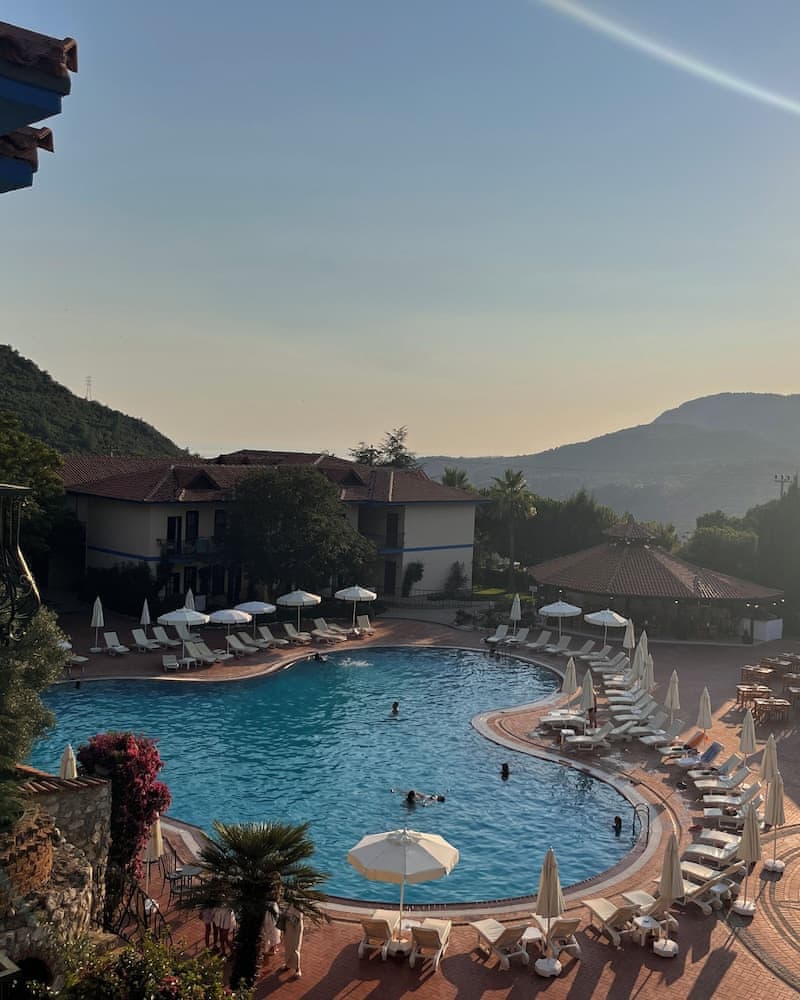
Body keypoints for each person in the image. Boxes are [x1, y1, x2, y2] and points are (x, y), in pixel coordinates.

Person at [281, 903, 304, 980]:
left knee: (295, 947)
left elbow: (300, 912)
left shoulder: (299, 901)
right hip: (288, 924)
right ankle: (288, 964)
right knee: (287, 946)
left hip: (296, 925)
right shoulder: (289, 901)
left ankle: (298, 968)